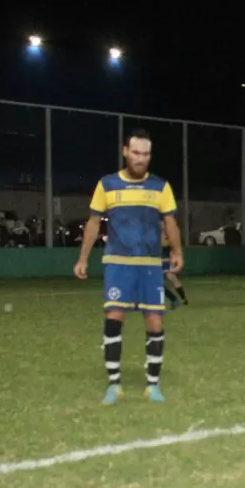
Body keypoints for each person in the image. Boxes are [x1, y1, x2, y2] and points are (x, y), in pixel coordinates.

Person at [75, 129, 183, 403]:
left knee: (155, 320)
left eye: (145, 154)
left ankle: (153, 386)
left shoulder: (160, 187)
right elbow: (93, 223)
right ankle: (114, 385)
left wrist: (176, 250)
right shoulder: (107, 184)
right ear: (125, 152)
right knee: (114, 317)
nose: (140, 159)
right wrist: (83, 258)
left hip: (150, 264)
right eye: (135, 153)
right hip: (118, 263)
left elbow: (170, 222)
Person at [161, 222, 189, 309]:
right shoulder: (154, 232)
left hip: (166, 259)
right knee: (158, 283)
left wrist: (174, 258)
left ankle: (182, 298)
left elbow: (173, 246)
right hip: (156, 260)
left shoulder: (170, 232)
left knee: (171, 277)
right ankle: (173, 299)